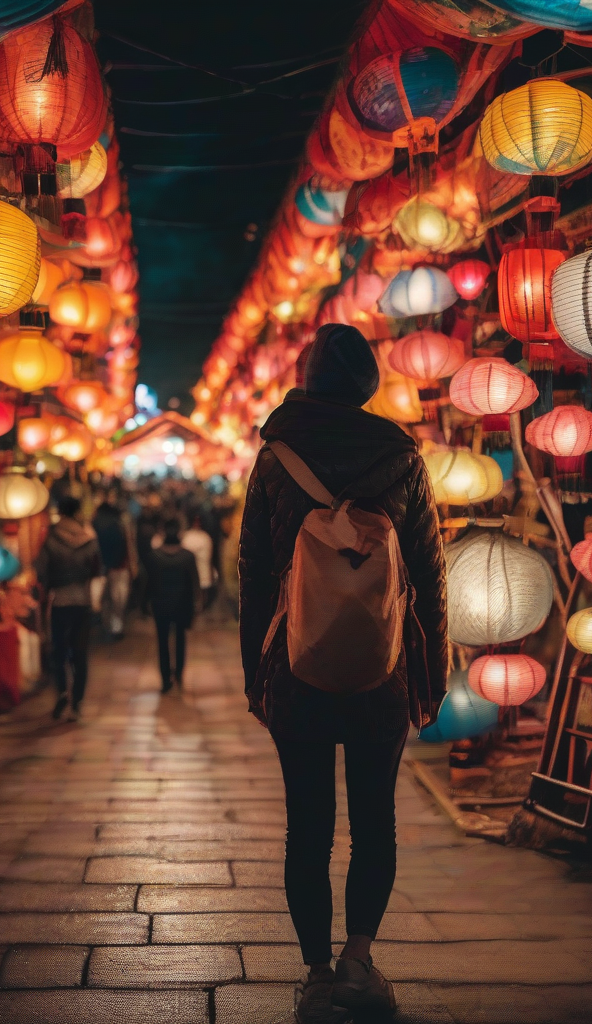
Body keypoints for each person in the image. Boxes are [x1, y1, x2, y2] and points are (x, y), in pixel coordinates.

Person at [238, 323, 448, 1024]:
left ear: (306, 377)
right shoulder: (403, 458)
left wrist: (254, 674)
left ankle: (318, 974)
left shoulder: (276, 458)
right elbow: (428, 574)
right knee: (374, 825)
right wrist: (433, 671)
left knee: (308, 827)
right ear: (367, 386)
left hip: (295, 671)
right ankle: (360, 960)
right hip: (381, 672)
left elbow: (254, 575)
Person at [39, 496, 102, 721]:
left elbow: (42, 571)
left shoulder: (51, 537)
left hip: (59, 601)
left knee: (59, 651)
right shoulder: (89, 538)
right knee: (80, 653)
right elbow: (97, 569)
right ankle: (77, 703)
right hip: (82, 600)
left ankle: (62, 692)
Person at [147, 518, 199, 693]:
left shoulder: (154, 556)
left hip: (160, 605)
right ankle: (178, 674)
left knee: (162, 641)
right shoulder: (187, 556)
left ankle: (165, 678)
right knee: (180, 639)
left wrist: (145, 603)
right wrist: (195, 605)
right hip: (182, 604)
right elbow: (194, 583)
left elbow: (148, 583)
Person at [92, 496, 132, 639]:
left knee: (105, 600)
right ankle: (116, 628)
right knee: (118, 600)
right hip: (118, 568)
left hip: (100, 568)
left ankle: (106, 625)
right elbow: (124, 547)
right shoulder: (118, 524)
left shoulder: (94, 524)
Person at [181, 514, 216, 609]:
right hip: (190, 569)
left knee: (202, 586)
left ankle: (201, 604)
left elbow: (208, 555)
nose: (197, 523)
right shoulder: (187, 536)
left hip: (202, 567)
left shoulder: (205, 537)